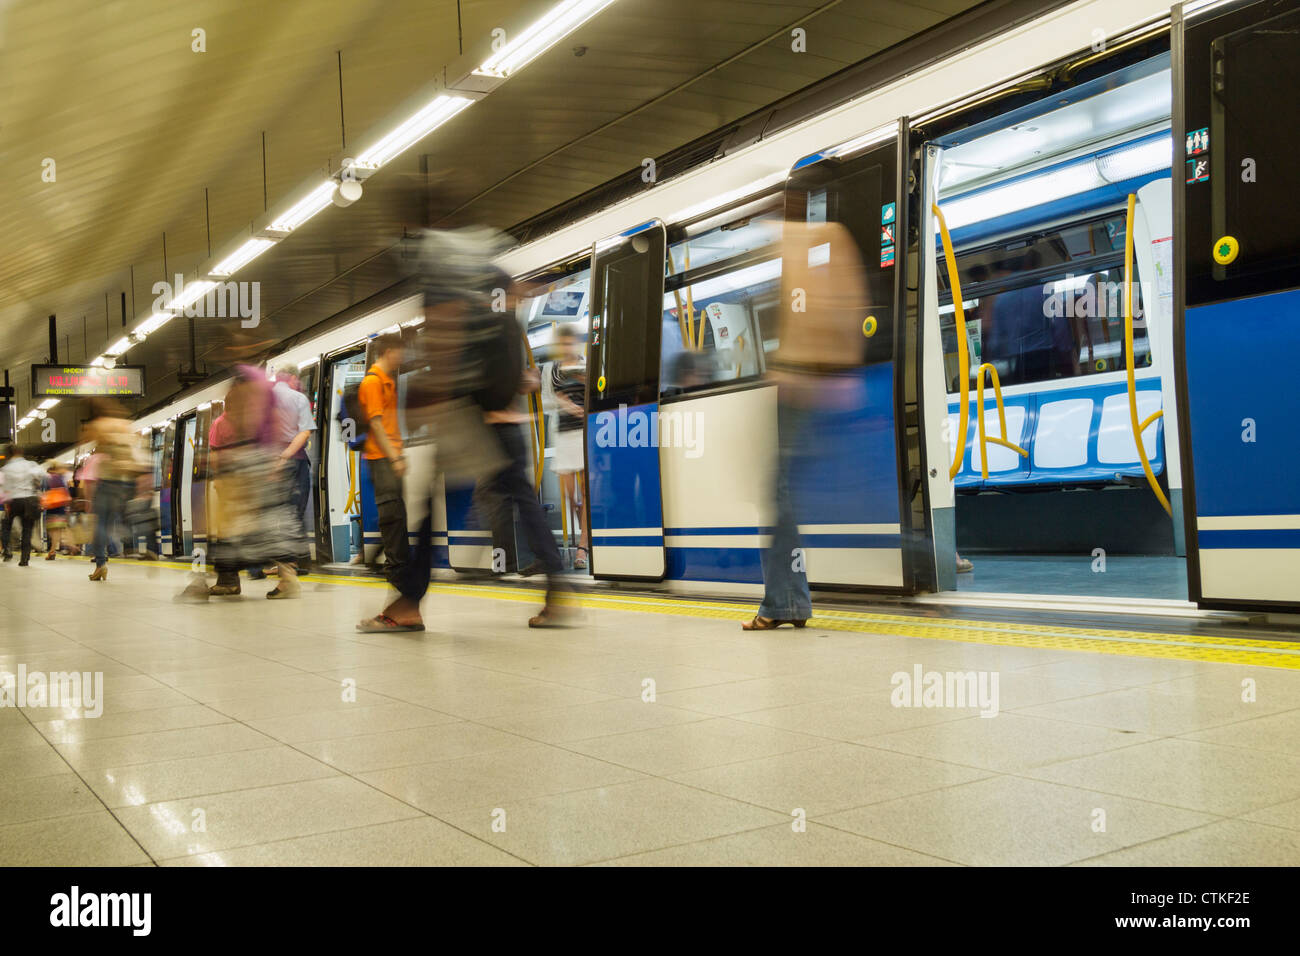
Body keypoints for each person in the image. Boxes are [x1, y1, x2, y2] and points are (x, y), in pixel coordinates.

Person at [743, 220, 870, 630]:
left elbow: (817, 322)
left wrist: (794, 369)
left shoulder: (812, 240)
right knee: (792, 499)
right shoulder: (817, 241)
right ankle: (787, 603)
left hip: (804, 390)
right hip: (815, 386)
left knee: (783, 499)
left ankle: (783, 604)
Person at [358, 334, 408, 603]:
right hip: (381, 458)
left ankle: (399, 567)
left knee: (396, 515)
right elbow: (376, 424)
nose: (403, 357)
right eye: (400, 352)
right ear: (389, 351)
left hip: (389, 456)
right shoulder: (372, 382)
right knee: (392, 516)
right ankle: (396, 572)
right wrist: (395, 458)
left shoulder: (386, 381)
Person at [84, 398, 147, 581]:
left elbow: (93, 447)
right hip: (127, 481)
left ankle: (101, 565)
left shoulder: (98, 425)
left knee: (101, 523)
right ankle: (131, 543)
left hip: (108, 481)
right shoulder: (125, 424)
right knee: (121, 517)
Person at [550, 325, 589, 570]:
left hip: (583, 433)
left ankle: (582, 547)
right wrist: (570, 407)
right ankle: (586, 529)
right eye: (563, 344)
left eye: (570, 343)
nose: (567, 348)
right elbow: (557, 396)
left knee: (586, 492)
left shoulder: (586, 364)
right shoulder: (555, 369)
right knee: (570, 495)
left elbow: (596, 392)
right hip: (564, 436)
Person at [1, 445, 45, 566]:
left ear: (9, 454)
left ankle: (7, 550)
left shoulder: (5, 469)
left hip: (13, 500)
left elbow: (4, 488)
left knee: (6, 526)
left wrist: (6, 504)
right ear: (20, 452)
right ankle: (24, 559)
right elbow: (41, 477)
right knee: (27, 529)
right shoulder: (31, 465)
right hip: (29, 500)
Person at [42, 461, 71, 559]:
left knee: (52, 529)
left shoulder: (51, 478)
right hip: (60, 506)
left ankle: (52, 551)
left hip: (52, 506)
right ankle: (54, 550)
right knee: (57, 530)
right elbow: (65, 492)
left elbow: (46, 491)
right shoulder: (60, 478)